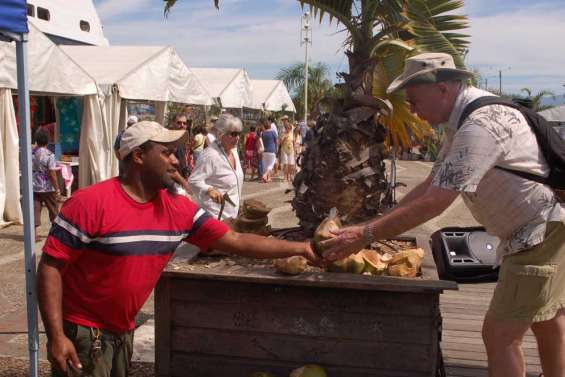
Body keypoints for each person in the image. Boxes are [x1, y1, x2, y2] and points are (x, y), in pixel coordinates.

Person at [321, 52, 565, 377]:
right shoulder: (465, 119)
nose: (412, 110)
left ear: (443, 89)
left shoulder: (481, 124)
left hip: (535, 235)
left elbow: (435, 201)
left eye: (414, 100)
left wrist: (366, 235)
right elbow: (430, 184)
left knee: (500, 335)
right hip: (544, 229)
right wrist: (374, 224)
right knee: (549, 320)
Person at [37, 120, 320, 377]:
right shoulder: (90, 203)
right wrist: (57, 336)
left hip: (123, 332)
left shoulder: (178, 208)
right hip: (85, 333)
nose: (175, 160)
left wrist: (302, 248)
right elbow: (50, 267)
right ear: (138, 156)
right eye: (166, 152)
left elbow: (236, 241)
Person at [188, 114, 244, 221]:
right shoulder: (210, 155)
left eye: (239, 134)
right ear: (220, 134)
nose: (237, 137)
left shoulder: (234, 151)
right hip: (214, 215)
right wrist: (208, 189)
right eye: (233, 134)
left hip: (231, 215)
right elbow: (193, 181)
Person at [32, 128, 61, 240]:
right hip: (47, 187)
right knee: (53, 209)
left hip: (34, 186)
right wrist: (57, 188)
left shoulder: (31, 153)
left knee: (35, 210)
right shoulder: (49, 155)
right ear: (47, 141)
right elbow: (52, 173)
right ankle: (56, 233)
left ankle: (33, 234)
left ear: (36, 141)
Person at [169, 113, 191, 178]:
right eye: (179, 123)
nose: (182, 125)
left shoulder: (183, 139)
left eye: (184, 123)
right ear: (173, 123)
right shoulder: (168, 138)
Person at [260, 118, 278, 183]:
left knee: (266, 165)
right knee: (271, 165)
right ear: (270, 125)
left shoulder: (262, 133)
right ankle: (265, 175)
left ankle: (268, 178)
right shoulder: (273, 132)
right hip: (272, 151)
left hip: (264, 151)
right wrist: (276, 149)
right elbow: (276, 142)